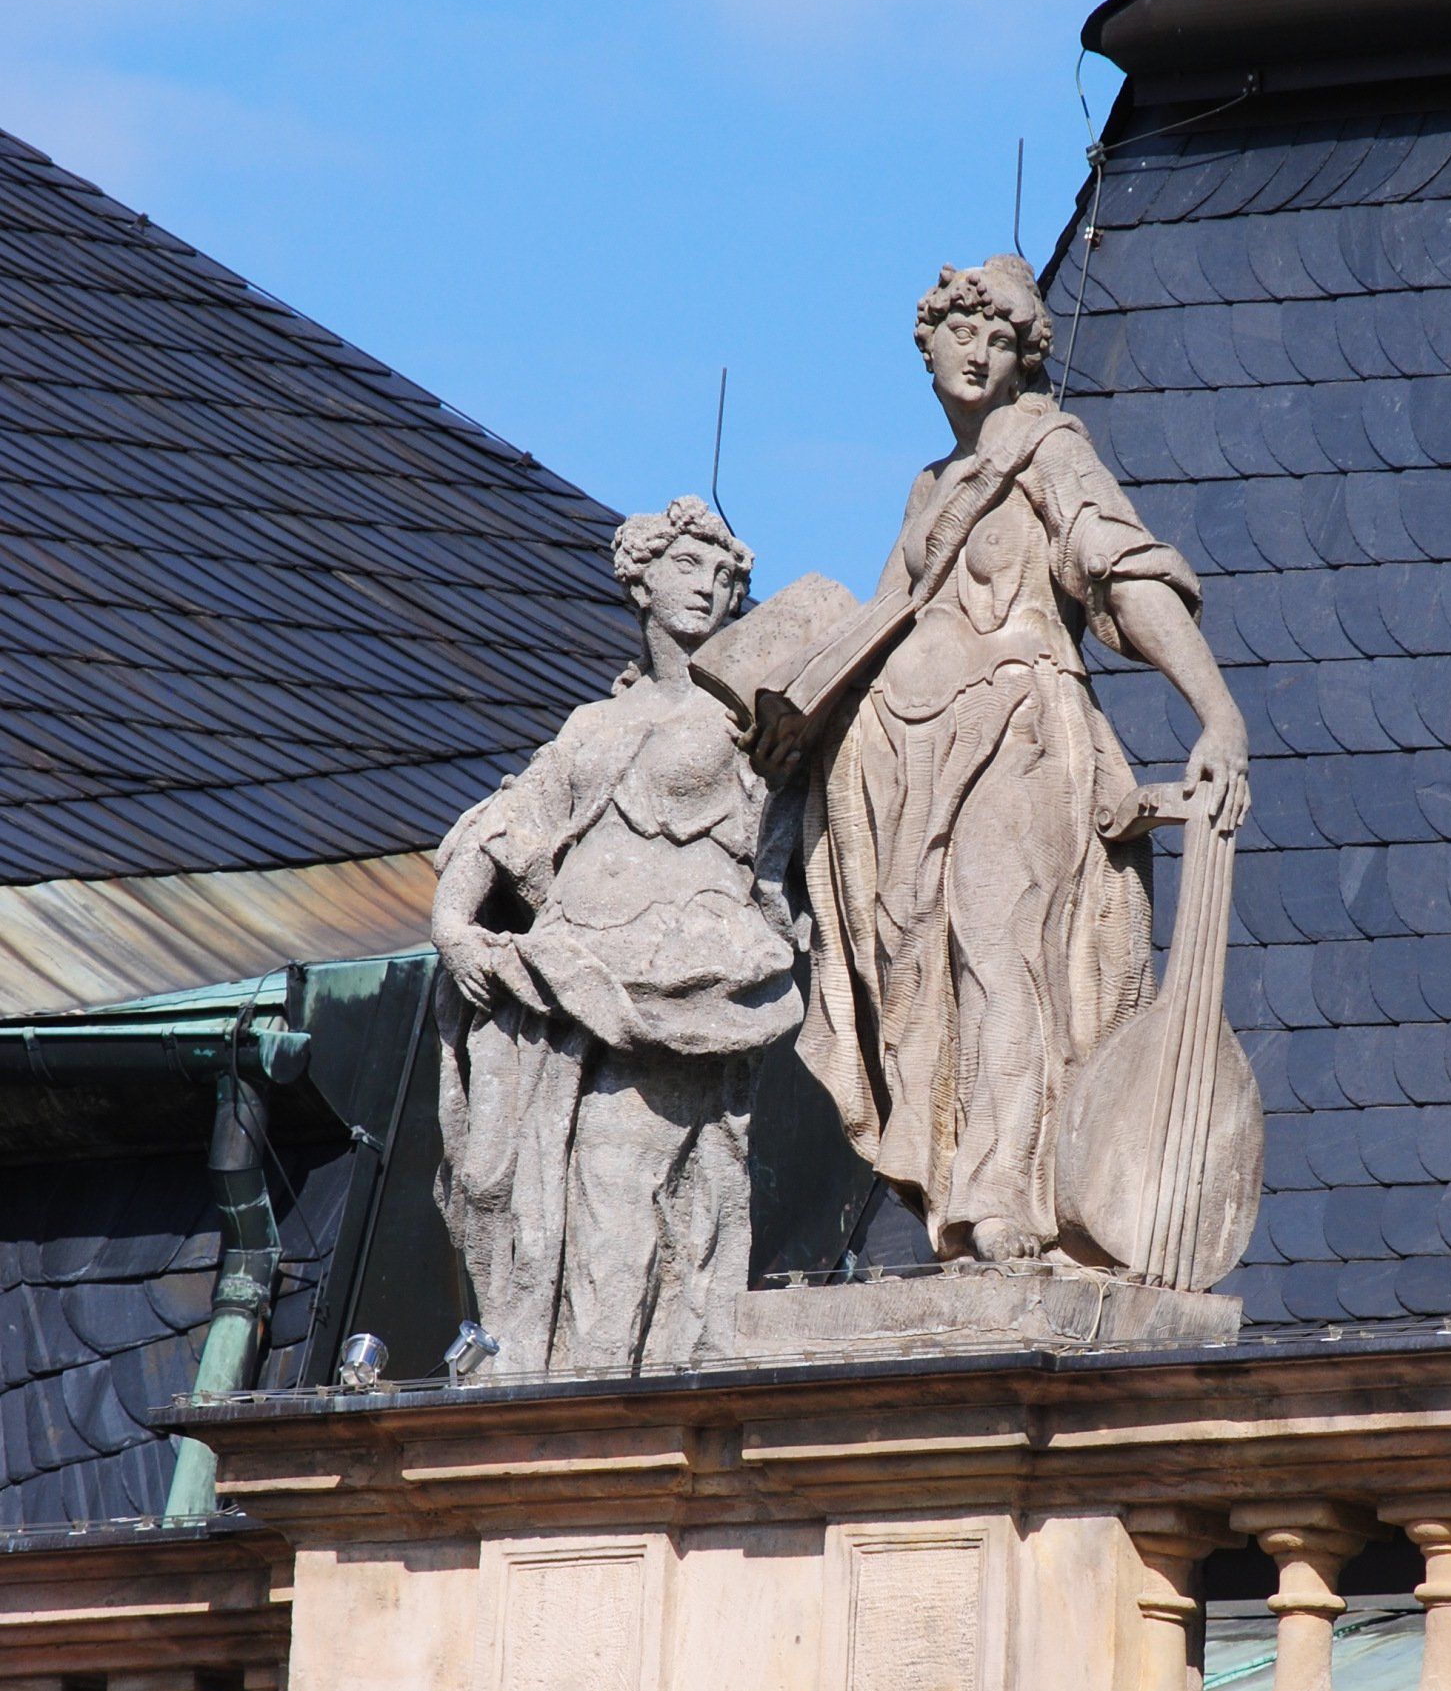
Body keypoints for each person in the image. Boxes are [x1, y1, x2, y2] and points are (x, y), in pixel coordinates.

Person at [787, 255, 1249, 1266]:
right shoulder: (928, 489)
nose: (976, 349)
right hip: (911, 760)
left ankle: (1009, 1191)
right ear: (929, 343)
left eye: (999, 336)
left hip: (1018, 743)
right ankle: (958, 1186)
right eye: (959, 329)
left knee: (1001, 960)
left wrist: (1218, 714)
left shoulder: (1048, 454)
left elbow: (1125, 577)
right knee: (919, 985)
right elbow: (873, 632)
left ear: (1022, 357)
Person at [432, 497, 800, 1370]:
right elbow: (508, 820)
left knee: (615, 1176)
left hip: (672, 982)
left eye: (725, 578)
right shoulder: (591, 725)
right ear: (638, 576)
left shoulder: (751, 720)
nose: (707, 590)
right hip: (560, 977)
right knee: (503, 1188)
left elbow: (797, 834)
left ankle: (594, 1390)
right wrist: (453, 922)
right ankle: (539, 1367)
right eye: (687, 566)